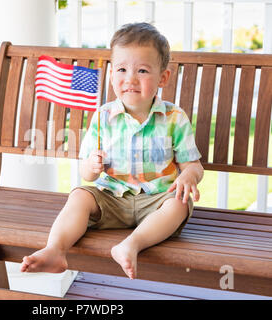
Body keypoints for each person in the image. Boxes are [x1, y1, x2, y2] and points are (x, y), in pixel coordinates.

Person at [20, 22, 204, 279]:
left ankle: (131, 244)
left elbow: (193, 164)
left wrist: (188, 176)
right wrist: (92, 167)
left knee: (179, 205)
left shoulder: (174, 117)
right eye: (121, 69)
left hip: (157, 201)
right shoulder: (103, 116)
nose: (130, 78)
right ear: (111, 76)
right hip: (112, 198)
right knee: (79, 196)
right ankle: (55, 250)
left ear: (163, 77)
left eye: (142, 70)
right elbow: (87, 174)